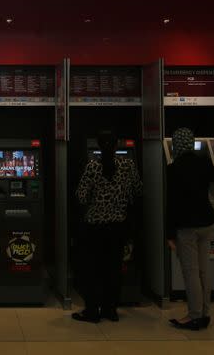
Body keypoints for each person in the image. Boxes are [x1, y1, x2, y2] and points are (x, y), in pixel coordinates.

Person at [72, 130, 142, 323]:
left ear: (99, 146)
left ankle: (93, 311)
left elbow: (81, 196)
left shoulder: (93, 166)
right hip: (118, 227)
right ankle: (111, 310)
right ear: (117, 144)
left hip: (95, 228)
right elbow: (138, 189)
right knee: (113, 269)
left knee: (93, 270)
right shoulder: (127, 165)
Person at [166, 127, 214, 331]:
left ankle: (194, 316)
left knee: (190, 272)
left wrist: (169, 234)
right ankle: (205, 313)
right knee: (203, 271)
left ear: (175, 145)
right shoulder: (203, 162)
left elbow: (171, 205)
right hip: (207, 222)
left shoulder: (173, 169)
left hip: (187, 227)